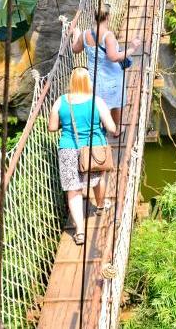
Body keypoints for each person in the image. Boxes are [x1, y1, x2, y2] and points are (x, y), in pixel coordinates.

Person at [49, 67, 118, 245]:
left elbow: (52, 127)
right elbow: (112, 128)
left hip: (68, 150)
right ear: (88, 81)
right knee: (98, 176)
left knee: (73, 189)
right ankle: (101, 205)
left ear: (72, 81)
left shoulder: (60, 101)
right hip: (94, 149)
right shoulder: (97, 101)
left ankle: (79, 231)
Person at [71, 8, 139, 129]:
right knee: (115, 104)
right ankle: (116, 129)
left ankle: (101, 128)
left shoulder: (85, 34)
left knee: (99, 104)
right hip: (111, 78)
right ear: (108, 17)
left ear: (95, 16)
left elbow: (75, 49)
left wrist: (76, 34)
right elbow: (113, 57)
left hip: (94, 79)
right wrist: (132, 49)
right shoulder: (108, 36)